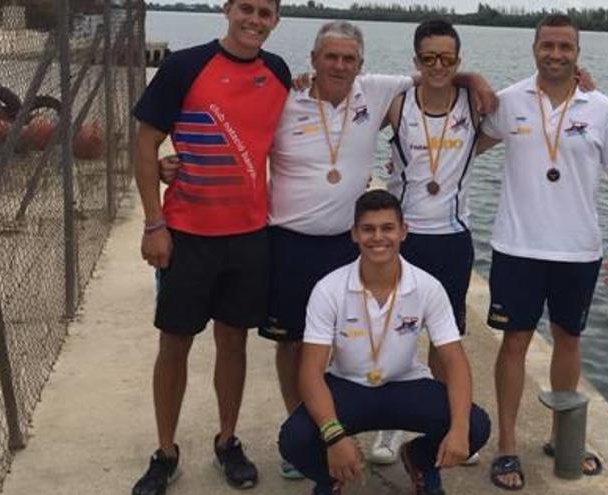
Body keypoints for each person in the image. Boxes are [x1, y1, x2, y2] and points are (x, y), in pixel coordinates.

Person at [161, 20, 496, 477]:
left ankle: (344, 426)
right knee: (293, 342)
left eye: (349, 59)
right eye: (330, 57)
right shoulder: (284, 95)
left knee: (347, 338)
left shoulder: (375, 92)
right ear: (313, 60)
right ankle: (310, 436)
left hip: (345, 242)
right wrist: (179, 160)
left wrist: (472, 77)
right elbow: (236, 131)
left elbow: (434, 74)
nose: (340, 65)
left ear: (361, 65)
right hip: (288, 240)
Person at [130, 0, 289, 493]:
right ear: (227, 9)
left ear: (276, 20)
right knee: (174, 342)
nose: (254, 21)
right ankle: (165, 450)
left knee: (234, 342)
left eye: (265, 13)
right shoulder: (184, 65)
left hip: (248, 235)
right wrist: (154, 223)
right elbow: (144, 142)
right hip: (188, 234)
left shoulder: (279, 72)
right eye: (246, 8)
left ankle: (227, 440)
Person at [477, 13, 608, 491]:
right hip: (517, 246)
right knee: (515, 343)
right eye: (547, 45)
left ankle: (561, 437)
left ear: (577, 53)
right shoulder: (508, 101)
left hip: (578, 251)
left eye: (565, 47)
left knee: (569, 340)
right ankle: (506, 447)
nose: (556, 55)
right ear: (534, 48)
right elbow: (466, 143)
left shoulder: (602, 107)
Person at [278, 189, 491, 495]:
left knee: (476, 425)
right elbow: (310, 372)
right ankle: (332, 477)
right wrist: (334, 437)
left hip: (405, 384)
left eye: (387, 228)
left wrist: (459, 428)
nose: (378, 237)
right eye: (368, 229)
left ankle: (419, 460)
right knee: (294, 439)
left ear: (403, 232)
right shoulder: (329, 289)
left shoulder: (427, 287)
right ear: (354, 234)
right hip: (347, 386)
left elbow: (455, 362)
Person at [375, 18, 481, 465]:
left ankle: (443, 422)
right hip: (405, 238)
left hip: (453, 239)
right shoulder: (397, 105)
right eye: (429, 57)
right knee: (392, 334)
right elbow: (342, 112)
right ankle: (387, 424)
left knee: (446, 337)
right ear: (415, 60)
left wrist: (582, 84)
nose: (438, 65)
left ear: (458, 61)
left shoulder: (475, 103)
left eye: (448, 58)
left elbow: (525, 112)